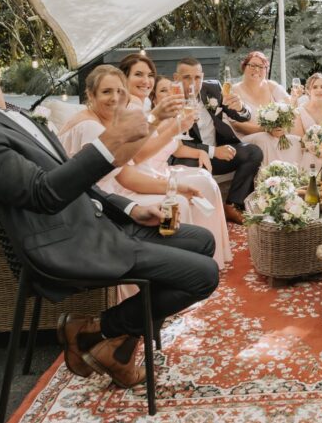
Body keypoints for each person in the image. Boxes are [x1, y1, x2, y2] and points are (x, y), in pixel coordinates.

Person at [0, 19, 219, 389]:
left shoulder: (10, 114)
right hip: (67, 246)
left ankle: (116, 347)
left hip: (97, 223)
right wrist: (109, 141)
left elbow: (75, 177)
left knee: (201, 242)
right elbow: (43, 194)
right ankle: (91, 332)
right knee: (203, 275)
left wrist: (129, 209)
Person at [59, 66, 232, 269]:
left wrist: (177, 187)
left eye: (119, 91)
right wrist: (162, 122)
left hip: (110, 196)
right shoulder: (90, 127)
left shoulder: (108, 121)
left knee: (183, 196)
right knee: (175, 204)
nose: (115, 98)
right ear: (90, 94)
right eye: (106, 92)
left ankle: (188, 267)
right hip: (96, 207)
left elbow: (126, 174)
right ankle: (175, 271)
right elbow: (129, 174)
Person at [118, 56, 233, 266]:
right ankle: (194, 259)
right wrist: (175, 127)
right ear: (123, 78)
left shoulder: (142, 106)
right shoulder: (130, 109)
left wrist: (200, 151)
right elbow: (139, 156)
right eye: (138, 75)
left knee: (205, 180)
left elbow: (170, 143)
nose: (146, 80)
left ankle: (211, 253)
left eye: (149, 75)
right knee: (200, 185)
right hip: (142, 176)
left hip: (158, 170)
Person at [170, 57, 262, 225]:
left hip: (218, 154)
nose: (193, 83)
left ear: (203, 76)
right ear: (176, 78)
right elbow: (177, 144)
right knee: (184, 161)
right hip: (192, 157)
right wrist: (213, 151)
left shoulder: (213, 88)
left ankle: (232, 204)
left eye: (197, 77)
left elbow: (242, 116)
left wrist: (241, 107)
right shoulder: (169, 99)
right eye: (187, 77)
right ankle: (197, 216)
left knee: (253, 152)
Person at [230, 50, 303, 165]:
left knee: (295, 140)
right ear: (244, 67)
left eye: (261, 67)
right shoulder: (234, 90)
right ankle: (269, 179)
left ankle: (291, 177)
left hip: (274, 134)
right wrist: (266, 129)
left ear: (266, 70)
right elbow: (236, 125)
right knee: (265, 138)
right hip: (246, 137)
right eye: (252, 65)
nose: (257, 69)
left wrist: (294, 99)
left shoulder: (271, 85)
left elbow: (290, 109)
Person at [291, 72, 322, 171]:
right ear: (308, 90)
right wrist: (315, 150)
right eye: (315, 87)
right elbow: (300, 141)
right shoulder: (299, 111)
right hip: (307, 152)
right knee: (310, 157)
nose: (319, 90)